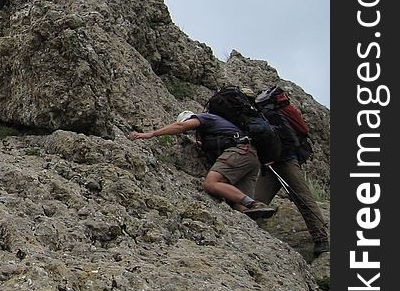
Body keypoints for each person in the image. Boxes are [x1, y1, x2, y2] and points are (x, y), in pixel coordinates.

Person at [130, 111, 276, 218]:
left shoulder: (204, 117)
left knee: (210, 183)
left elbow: (181, 127)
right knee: (239, 206)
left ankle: (254, 204)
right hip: (251, 157)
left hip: (240, 152)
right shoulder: (215, 129)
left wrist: (152, 134)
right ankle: (253, 209)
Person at [254, 87, 330, 256]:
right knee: (257, 201)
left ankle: (321, 239)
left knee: (303, 198)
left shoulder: (269, 114)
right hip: (273, 163)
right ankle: (252, 233)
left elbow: (288, 140)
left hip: (286, 160)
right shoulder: (264, 114)